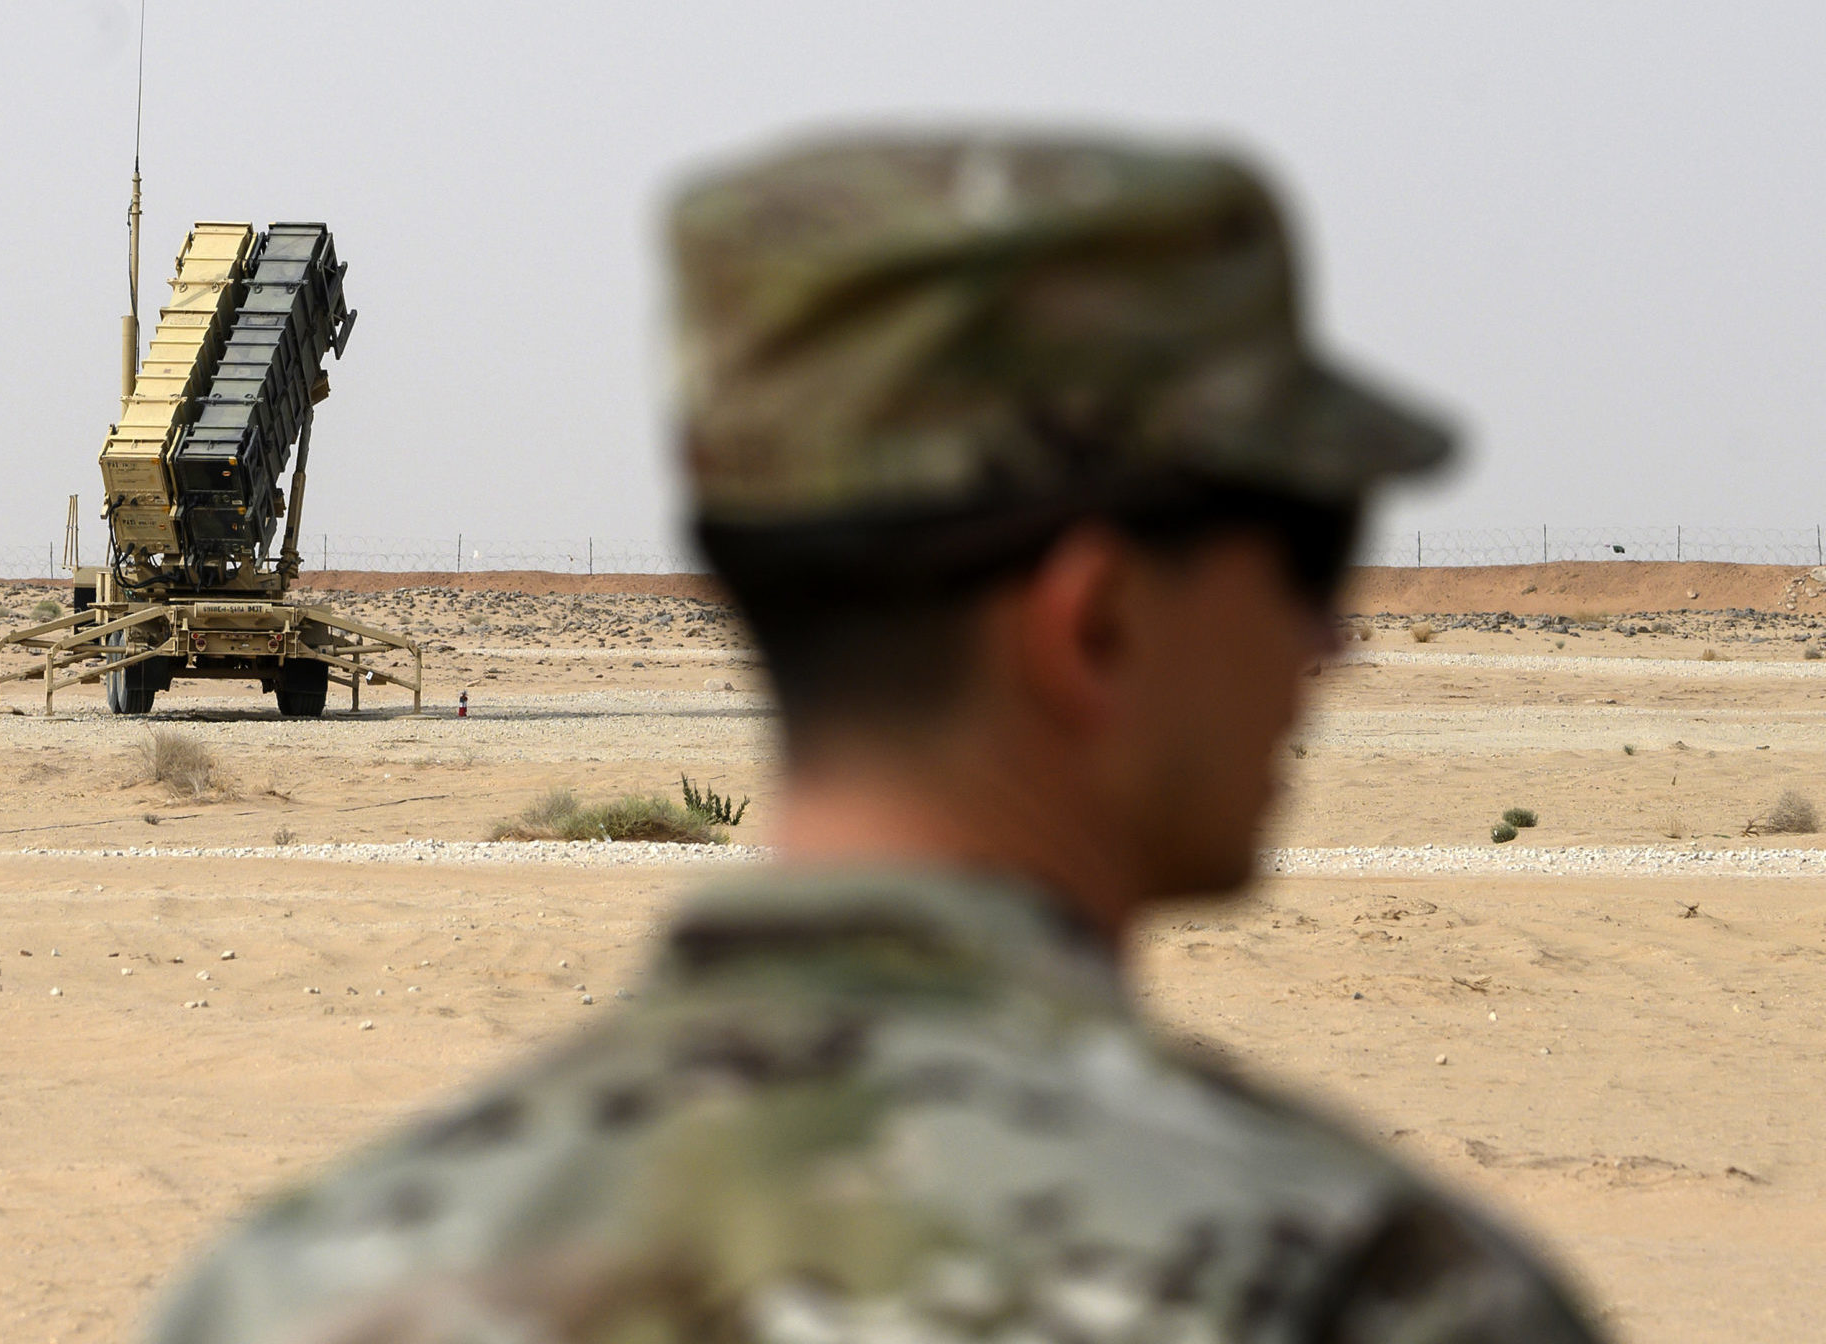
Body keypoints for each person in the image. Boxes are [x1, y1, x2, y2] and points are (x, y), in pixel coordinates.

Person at [145, 131, 1604, 1344]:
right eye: (1308, 554)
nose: (1328, 640)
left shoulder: (304, 1290)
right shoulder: (1371, 1295)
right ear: (1092, 622)